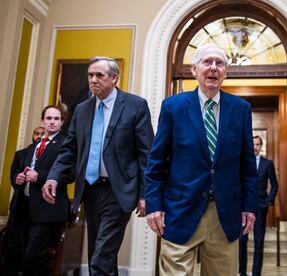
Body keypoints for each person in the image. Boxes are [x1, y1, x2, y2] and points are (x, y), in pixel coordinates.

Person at [145, 44, 258, 275]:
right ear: (194, 69)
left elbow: (248, 167)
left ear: (225, 72)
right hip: (179, 211)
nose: (213, 68)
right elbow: (156, 162)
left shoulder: (241, 109)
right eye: (207, 62)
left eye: (219, 63)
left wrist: (249, 207)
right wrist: (153, 205)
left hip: (225, 214)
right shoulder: (172, 107)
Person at [42, 56, 154, 275]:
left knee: (101, 256)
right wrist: (53, 177)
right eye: (90, 75)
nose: (93, 80)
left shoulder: (135, 106)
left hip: (119, 190)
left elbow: (146, 154)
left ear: (114, 78)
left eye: (99, 75)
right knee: (100, 253)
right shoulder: (82, 109)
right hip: (90, 190)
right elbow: (70, 149)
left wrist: (146, 194)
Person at [4, 105, 72, 275]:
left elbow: (70, 174)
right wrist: (18, 178)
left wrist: (40, 177)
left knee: (33, 256)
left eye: (56, 119)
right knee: (19, 257)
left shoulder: (65, 144)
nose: (52, 122)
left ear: (62, 122)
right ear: (43, 121)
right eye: (49, 118)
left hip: (46, 209)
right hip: (23, 208)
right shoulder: (34, 147)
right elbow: (22, 171)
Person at [239, 135, 278, 276]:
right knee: (242, 240)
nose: (255, 147)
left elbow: (275, 185)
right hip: (243, 206)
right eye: (253, 144)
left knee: (259, 241)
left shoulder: (267, 164)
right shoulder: (242, 162)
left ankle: (256, 273)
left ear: (261, 146)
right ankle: (242, 272)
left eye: (257, 144)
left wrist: (269, 201)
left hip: (260, 206)